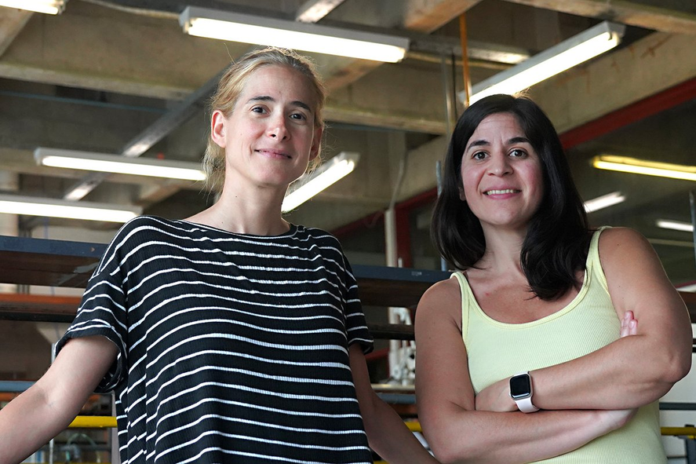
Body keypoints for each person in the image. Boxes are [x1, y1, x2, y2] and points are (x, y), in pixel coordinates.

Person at [0, 47, 437, 464]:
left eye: (298, 115)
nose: (279, 128)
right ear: (220, 128)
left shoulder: (324, 258)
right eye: (260, 108)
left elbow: (365, 410)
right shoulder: (148, 247)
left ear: (314, 143)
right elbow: (51, 398)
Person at [415, 94, 692, 463]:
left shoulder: (613, 251)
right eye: (479, 154)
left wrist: (514, 391)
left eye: (518, 152)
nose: (499, 168)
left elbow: (665, 357)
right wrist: (603, 417)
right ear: (461, 186)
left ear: (547, 169)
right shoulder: (445, 303)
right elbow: (453, 441)